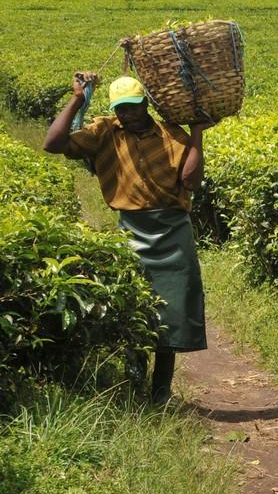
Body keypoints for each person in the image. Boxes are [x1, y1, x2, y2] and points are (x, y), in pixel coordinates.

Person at [44, 74, 210, 404]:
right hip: (132, 231)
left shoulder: (168, 133)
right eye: (121, 109)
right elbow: (53, 144)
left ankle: (160, 392)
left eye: (133, 108)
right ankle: (134, 386)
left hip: (173, 230)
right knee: (136, 312)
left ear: (146, 104)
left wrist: (196, 134)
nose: (128, 115)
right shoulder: (104, 131)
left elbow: (190, 181)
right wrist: (77, 99)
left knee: (171, 316)